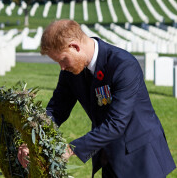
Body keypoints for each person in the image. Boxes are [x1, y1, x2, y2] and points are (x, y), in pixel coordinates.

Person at [18, 19, 176, 177]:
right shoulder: (70, 72)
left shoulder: (123, 66)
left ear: (75, 46)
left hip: (141, 156)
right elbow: (57, 109)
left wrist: (70, 149)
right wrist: (34, 137)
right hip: (109, 154)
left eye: (62, 59)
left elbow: (116, 123)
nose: (62, 67)